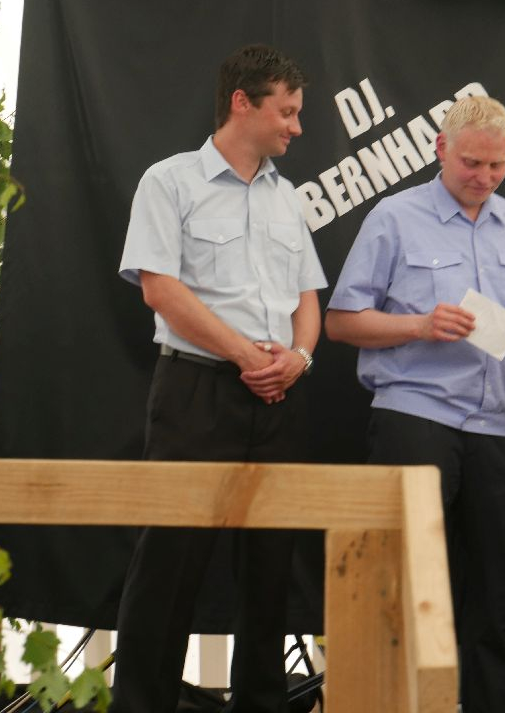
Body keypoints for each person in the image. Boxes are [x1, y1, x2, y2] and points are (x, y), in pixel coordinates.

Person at [325, 95, 505, 713]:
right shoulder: (394, 217)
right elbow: (341, 322)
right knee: (401, 589)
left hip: (499, 429)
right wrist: (419, 325)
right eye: (471, 163)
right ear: (440, 149)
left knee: (494, 598)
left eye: (496, 165)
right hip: (415, 417)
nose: (484, 177)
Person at [112, 44, 327, 713]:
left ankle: (261, 705)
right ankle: (140, 706)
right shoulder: (169, 181)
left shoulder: (288, 198)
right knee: (167, 563)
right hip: (194, 396)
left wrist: (299, 358)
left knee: (270, 567)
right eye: (286, 112)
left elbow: (308, 298)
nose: (296, 127)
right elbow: (159, 289)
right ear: (242, 103)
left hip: (278, 398)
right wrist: (245, 356)